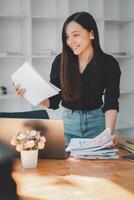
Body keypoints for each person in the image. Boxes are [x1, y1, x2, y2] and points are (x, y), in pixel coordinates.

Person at [13, 12, 121, 147]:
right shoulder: (60, 61)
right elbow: (53, 101)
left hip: (97, 125)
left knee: (98, 166)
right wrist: (29, 94)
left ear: (91, 34)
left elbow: (111, 102)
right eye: (67, 37)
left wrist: (108, 133)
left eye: (75, 35)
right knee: (65, 166)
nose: (70, 41)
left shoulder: (109, 63)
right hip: (68, 125)